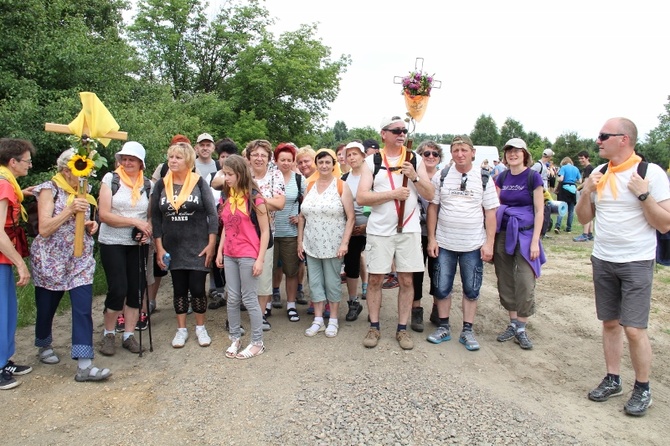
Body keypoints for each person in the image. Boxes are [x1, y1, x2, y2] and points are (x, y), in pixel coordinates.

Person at [576, 117, 670, 417]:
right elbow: (582, 219)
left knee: (634, 329)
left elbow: (664, 223)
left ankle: (643, 387)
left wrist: (643, 194)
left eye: (604, 135)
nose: (598, 141)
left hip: (637, 261)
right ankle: (613, 378)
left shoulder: (650, 173)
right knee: (610, 324)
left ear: (624, 139)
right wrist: (586, 192)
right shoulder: (599, 172)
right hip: (603, 258)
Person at [31, 148, 112, 381]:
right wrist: (69, 210)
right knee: (46, 308)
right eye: (82, 172)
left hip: (79, 259)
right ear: (67, 170)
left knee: (82, 308)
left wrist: (89, 225)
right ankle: (44, 344)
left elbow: (83, 219)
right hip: (51, 260)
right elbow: (45, 228)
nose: (86, 178)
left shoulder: (84, 192)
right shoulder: (49, 189)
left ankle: (85, 365)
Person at [356, 116, 435, 350]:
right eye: (396, 130)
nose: (402, 134)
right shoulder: (372, 161)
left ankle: (402, 329)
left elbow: (430, 194)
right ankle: (374, 326)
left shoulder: (414, 158)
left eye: (404, 130)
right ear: (384, 133)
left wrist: (415, 177)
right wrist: (392, 194)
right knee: (376, 279)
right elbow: (361, 197)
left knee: (406, 280)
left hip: (408, 228)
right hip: (380, 230)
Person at [426, 136, 499, 351]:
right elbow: (433, 208)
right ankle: (444, 326)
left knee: (471, 289)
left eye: (464, 150)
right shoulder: (443, 175)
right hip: (445, 243)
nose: (460, 154)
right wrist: (431, 238)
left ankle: (467, 330)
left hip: (473, 245)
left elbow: (491, 213)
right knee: (441, 287)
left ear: (472, 152)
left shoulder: (484, 177)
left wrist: (489, 243)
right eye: (456, 150)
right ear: (451, 153)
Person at [151, 142, 218, 348]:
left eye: (178, 157)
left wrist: (211, 244)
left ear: (188, 160)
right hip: (173, 247)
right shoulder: (162, 184)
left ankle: (200, 327)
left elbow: (212, 214)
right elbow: (155, 217)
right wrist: (159, 248)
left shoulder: (198, 182)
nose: (173, 161)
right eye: (171, 157)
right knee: (179, 289)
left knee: (197, 289)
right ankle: (181, 330)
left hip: (198, 245)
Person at [97, 142, 152, 356]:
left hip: (138, 243)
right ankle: (109, 333)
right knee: (117, 288)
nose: (127, 162)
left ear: (141, 163)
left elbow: (150, 217)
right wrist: (134, 223)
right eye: (124, 158)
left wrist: (146, 229)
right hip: (112, 242)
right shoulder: (111, 180)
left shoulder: (148, 184)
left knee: (135, 291)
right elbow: (104, 215)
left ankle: (128, 335)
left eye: (132, 159)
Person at [493, 138, 546, 350]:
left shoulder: (533, 177)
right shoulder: (501, 177)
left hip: (525, 234)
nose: (512, 154)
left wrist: (535, 241)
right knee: (505, 278)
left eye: (517, 151)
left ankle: (522, 328)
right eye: (509, 151)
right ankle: (513, 323)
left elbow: (540, 210)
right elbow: (494, 205)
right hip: (504, 233)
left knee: (525, 279)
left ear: (525, 154)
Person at [216, 154, 269, 359]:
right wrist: (220, 250)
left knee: (249, 298)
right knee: (232, 298)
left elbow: (265, 231)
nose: (226, 178)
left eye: (229, 174)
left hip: (248, 253)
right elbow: (226, 227)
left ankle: (257, 342)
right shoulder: (228, 196)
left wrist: (260, 259)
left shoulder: (255, 198)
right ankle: (235, 337)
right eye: (224, 173)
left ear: (239, 173)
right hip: (230, 253)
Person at [298, 149, 354, 337]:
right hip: (311, 244)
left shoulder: (341, 186)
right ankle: (318, 319)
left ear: (333, 164)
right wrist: (300, 241)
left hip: (333, 245)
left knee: (332, 282)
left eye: (327, 162)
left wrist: (345, 243)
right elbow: (302, 216)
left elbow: (351, 217)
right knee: (314, 282)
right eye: (320, 162)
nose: (324, 166)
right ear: (316, 164)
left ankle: (334, 319)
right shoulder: (309, 186)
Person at [0, 138, 34, 390]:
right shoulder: (4, 185)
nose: (30, 165)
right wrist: (20, 264)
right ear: (13, 162)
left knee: (8, 310)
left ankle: (5, 360)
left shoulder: (7, 182)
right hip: (1, 258)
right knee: (2, 312)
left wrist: (24, 192)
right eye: (26, 161)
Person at [245, 140, 286, 330]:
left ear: (269, 158)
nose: (259, 158)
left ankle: (260, 316)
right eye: (255, 154)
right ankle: (238, 317)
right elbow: (220, 183)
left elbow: (279, 203)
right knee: (242, 277)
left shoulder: (275, 174)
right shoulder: (242, 174)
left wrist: (252, 201)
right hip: (242, 234)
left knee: (262, 278)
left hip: (265, 234)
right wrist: (264, 202)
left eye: (263, 155)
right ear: (248, 157)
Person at [270, 143, 305, 321]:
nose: (285, 163)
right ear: (275, 160)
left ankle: (291, 305)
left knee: (291, 271)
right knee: (269, 270)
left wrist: (300, 217)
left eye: (289, 160)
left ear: (293, 162)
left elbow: (307, 204)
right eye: (282, 159)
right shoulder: (268, 178)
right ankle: (266, 304)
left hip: (291, 233)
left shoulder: (299, 180)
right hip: (269, 232)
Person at [411, 140, 443, 332]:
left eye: (434, 154)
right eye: (426, 154)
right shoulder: (414, 176)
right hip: (415, 230)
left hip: (439, 232)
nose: (430, 157)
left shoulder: (444, 177)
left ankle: (437, 308)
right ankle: (416, 310)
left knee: (438, 271)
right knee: (416, 271)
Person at [207, 137, 241, 310]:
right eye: (222, 156)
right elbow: (214, 184)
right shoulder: (214, 175)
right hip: (218, 224)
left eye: (228, 156)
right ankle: (221, 292)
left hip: (236, 225)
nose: (224, 160)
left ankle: (235, 295)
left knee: (235, 259)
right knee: (217, 259)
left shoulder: (240, 176)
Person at [342, 142, 369, 322]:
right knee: (351, 265)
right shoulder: (344, 178)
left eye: (355, 154)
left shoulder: (372, 176)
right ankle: (353, 302)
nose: (352, 157)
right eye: (349, 154)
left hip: (373, 228)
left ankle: (375, 305)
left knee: (376, 268)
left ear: (363, 155)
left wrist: (366, 226)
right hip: (352, 229)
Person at [294, 146, 317, 306]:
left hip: (318, 231)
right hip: (306, 231)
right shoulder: (304, 180)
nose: (303, 165)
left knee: (318, 269)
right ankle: (315, 299)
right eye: (300, 162)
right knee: (312, 268)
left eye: (306, 161)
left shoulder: (318, 180)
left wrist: (301, 217)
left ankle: (320, 301)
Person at [554, 157, 581, 234]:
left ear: (564, 162)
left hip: (564, 189)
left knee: (561, 208)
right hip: (573, 189)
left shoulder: (563, 167)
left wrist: (558, 177)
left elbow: (561, 179)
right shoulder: (576, 169)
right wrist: (572, 180)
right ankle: (569, 228)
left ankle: (557, 226)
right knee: (571, 210)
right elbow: (580, 181)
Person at [573, 151, 594, 242]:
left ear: (587, 158)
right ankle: (590, 234)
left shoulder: (588, 168)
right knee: (590, 213)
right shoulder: (590, 168)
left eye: (582, 158)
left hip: (587, 193)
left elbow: (587, 182)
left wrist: (578, 188)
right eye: (579, 158)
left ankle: (585, 234)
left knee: (586, 213)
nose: (581, 160)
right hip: (591, 192)